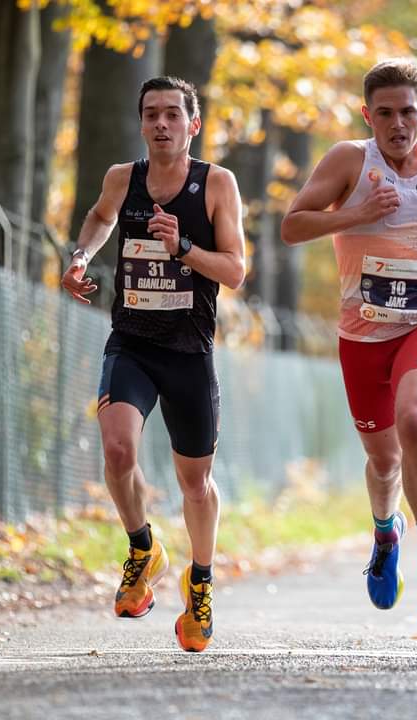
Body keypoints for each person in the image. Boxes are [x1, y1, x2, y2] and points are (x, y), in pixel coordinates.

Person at [280, 58, 417, 619]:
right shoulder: (349, 160)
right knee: (383, 464)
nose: (398, 125)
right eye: (385, 114)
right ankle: (386, 532)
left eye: (408, 112)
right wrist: (354, 213)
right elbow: (292, 225)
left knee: (416, 420)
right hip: (362, 336)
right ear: (367, 115)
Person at [60, 76, 246, 652]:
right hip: (133, 343)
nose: (161, 124)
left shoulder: (216, 183)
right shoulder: (125, 178)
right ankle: (143, 548)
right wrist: (80, 256)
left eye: (172, 114)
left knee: (196, 484)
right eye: (151, 115)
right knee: (117, 449)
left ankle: (201, 584)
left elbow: (236, 271)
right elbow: (99, 217)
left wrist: (183, 248)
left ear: (194, 124)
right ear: (141, 123)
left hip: (189, 352)